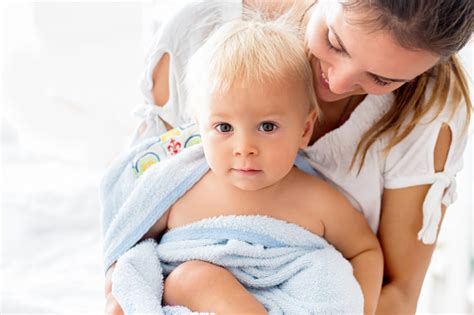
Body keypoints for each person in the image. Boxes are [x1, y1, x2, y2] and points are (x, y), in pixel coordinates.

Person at [105, 0, 473, 314]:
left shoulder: (429, 111)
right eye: (335, 41)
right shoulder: (206, 36)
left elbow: (395, 287)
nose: (339, 83)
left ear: (305, 128)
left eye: (382, 79)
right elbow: (126, 239)